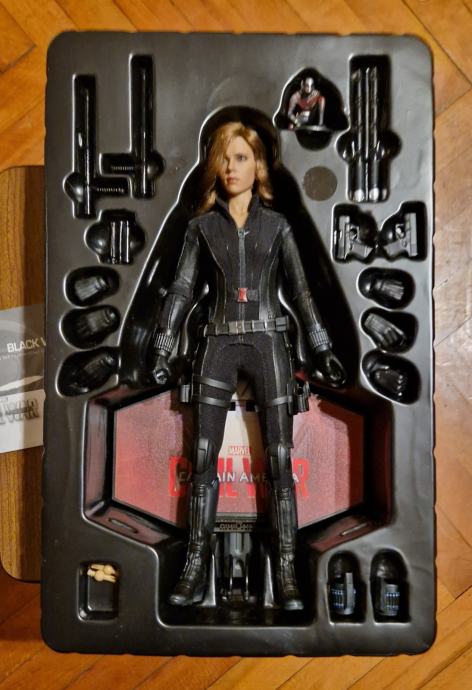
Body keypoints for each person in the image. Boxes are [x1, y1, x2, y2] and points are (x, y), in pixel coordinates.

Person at [151, 121, 345, 609]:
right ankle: (195, 565)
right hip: (217, 342)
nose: (231, 167)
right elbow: (181, 289)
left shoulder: (277, 226)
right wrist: (162, 346)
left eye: (241, 157)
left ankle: (287, 570)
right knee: (201, 457)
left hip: (267, 341)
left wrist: (321, 346)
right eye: (224, 157)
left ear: (258, 164)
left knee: (279, 460)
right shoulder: (201, 227)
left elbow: (300, 291)